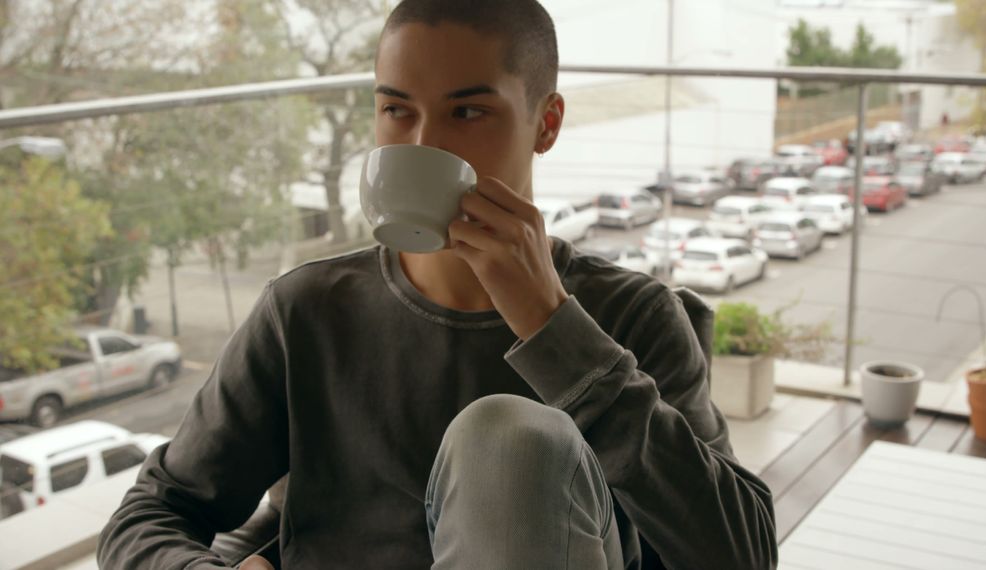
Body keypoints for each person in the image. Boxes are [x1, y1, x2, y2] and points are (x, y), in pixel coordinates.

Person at [97, 1, 777, 568]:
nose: (424, 145)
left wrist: (554, 328)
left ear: (546, 123)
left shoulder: (631, 316)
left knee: (510, 442)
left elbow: (744, 554)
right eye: (397, 111)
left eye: (467, 113)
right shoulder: (307, 312)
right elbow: (150, 514)